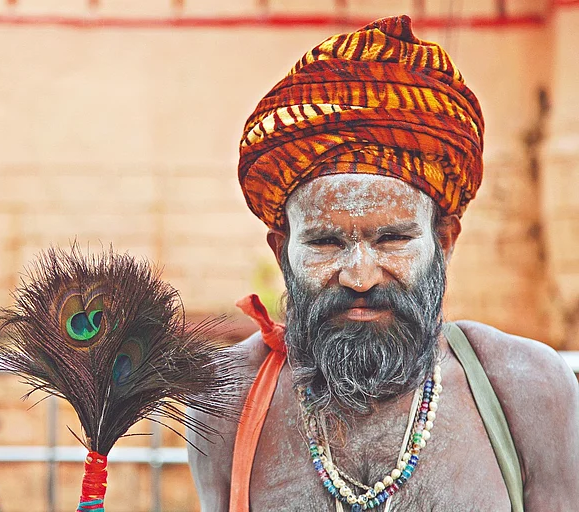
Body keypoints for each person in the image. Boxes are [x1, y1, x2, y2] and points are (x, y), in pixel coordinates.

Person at [186, 15, 579, 512]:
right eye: (326, 242)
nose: (360, 275)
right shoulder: (228, 399)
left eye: (392, 239)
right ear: (281, 250)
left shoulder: (527, 388)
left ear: (445, 240)